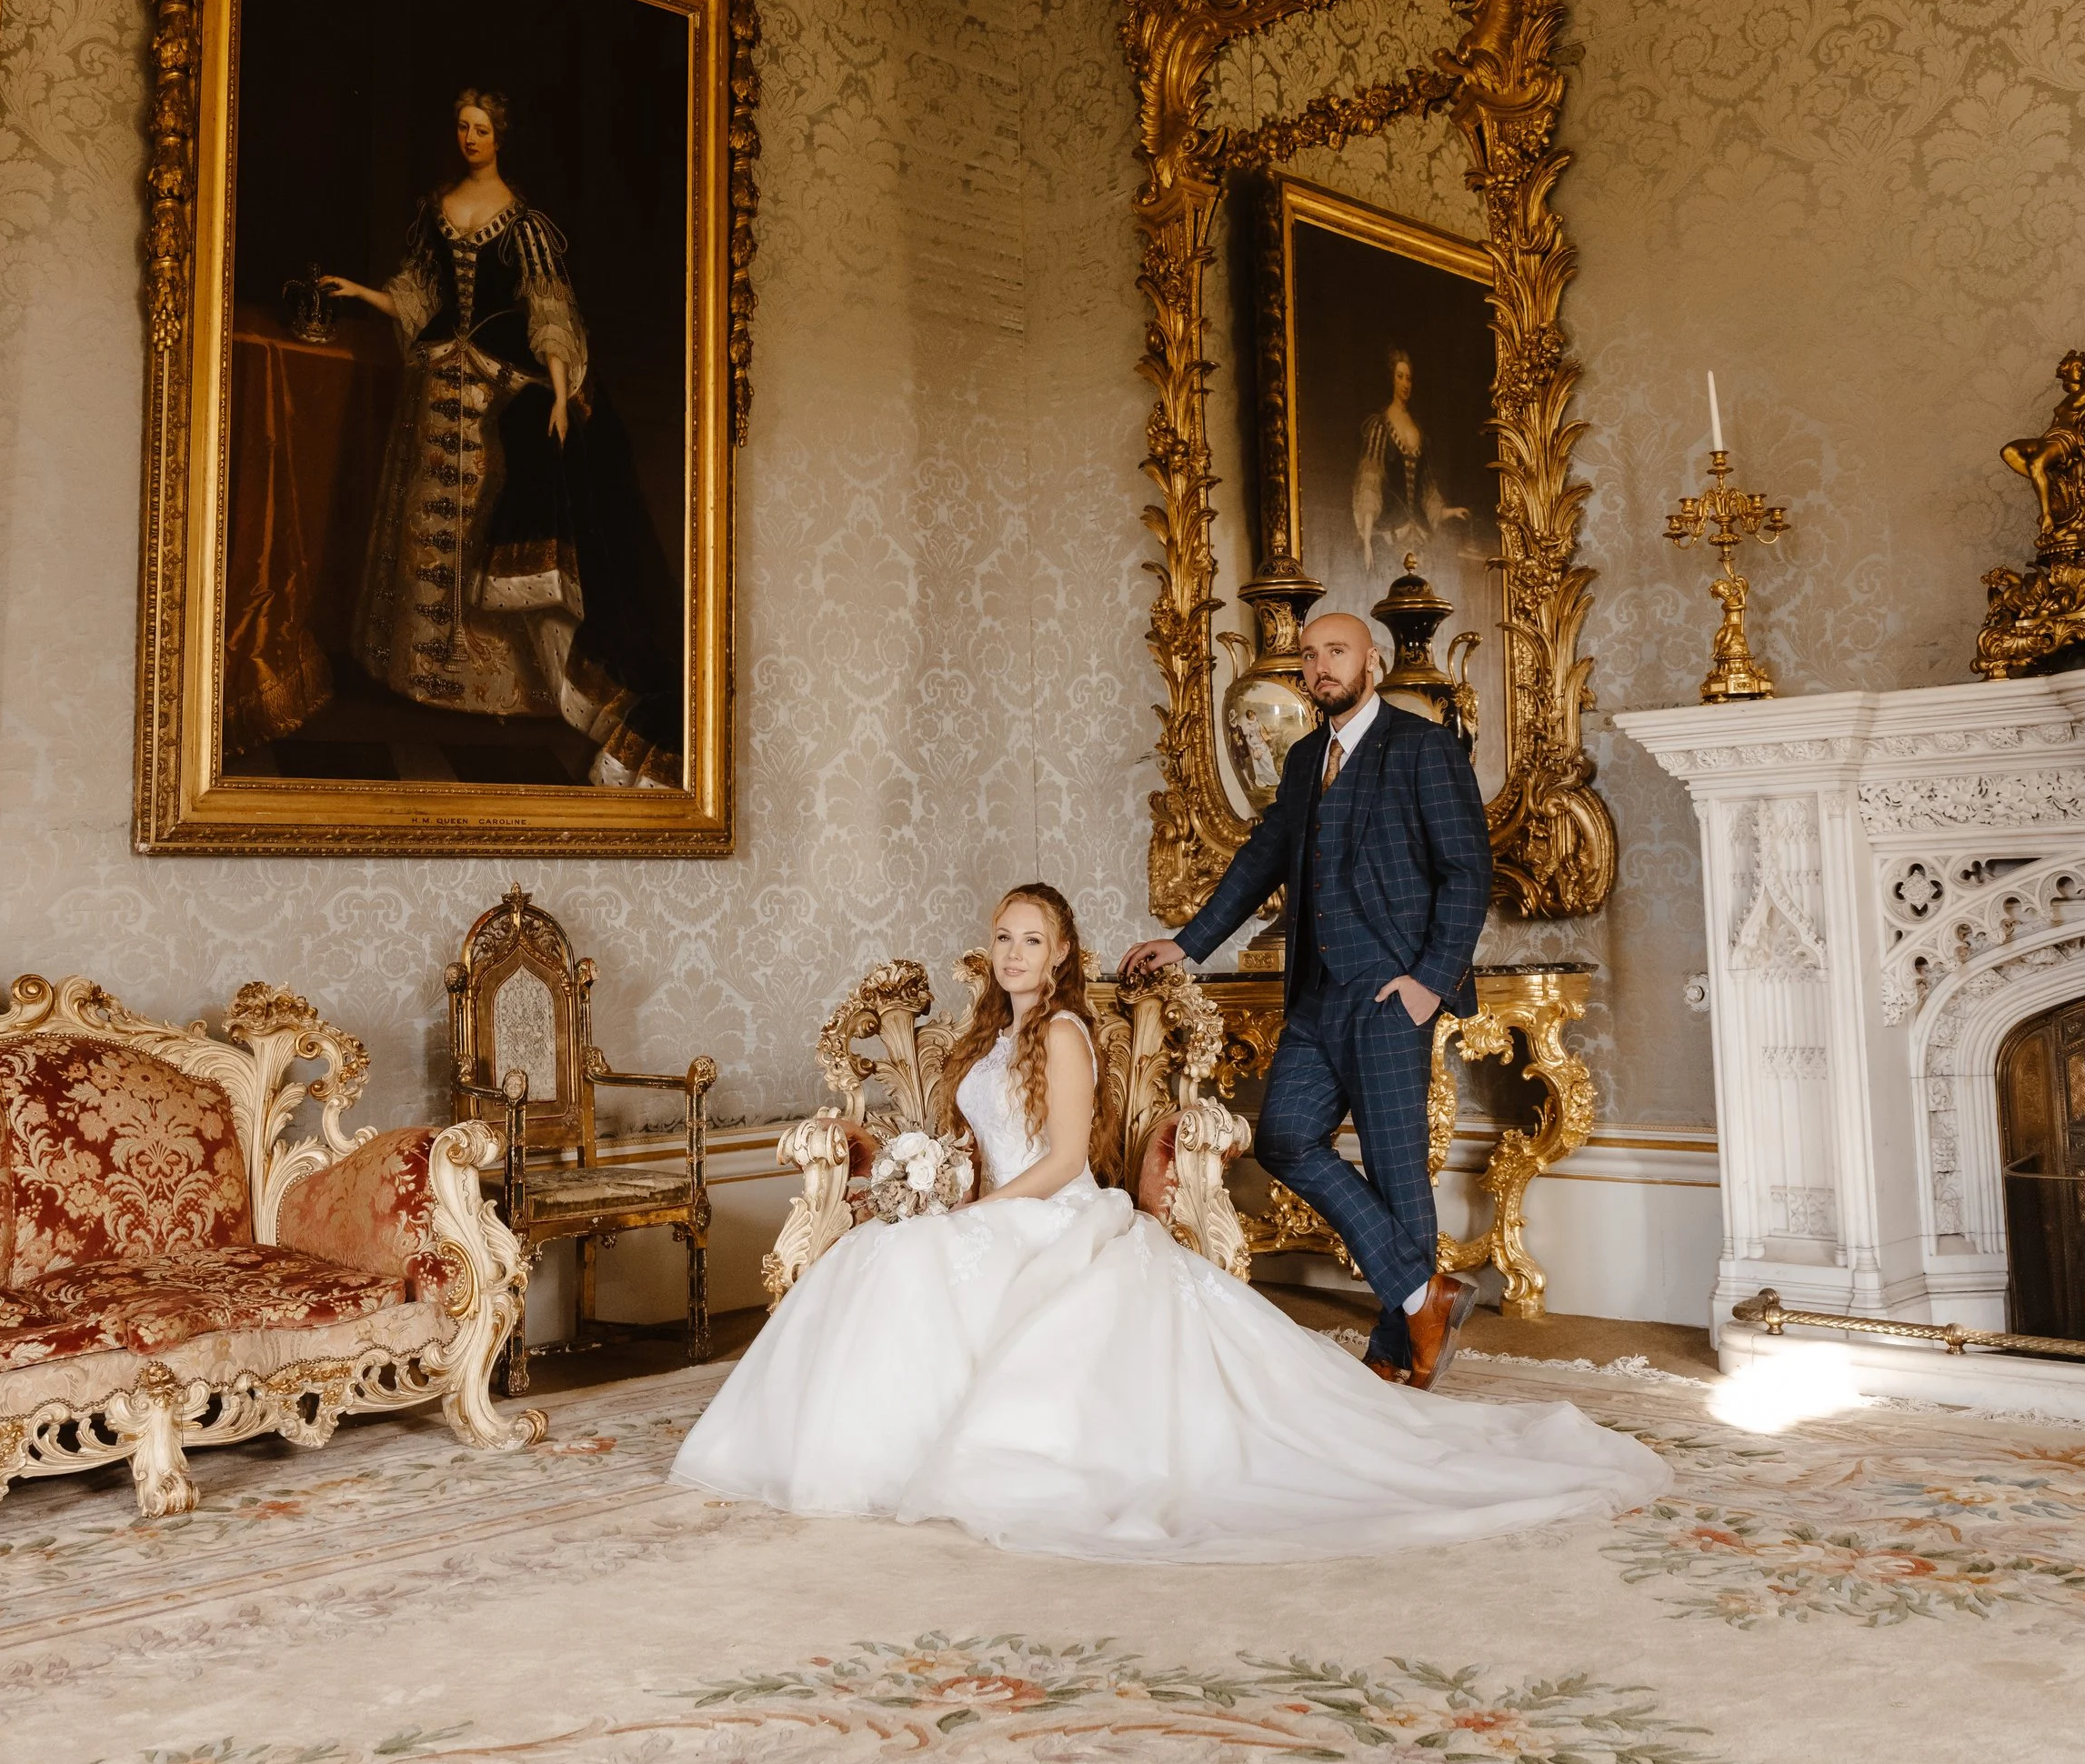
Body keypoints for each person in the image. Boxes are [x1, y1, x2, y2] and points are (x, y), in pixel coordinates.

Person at [668, 881, 1663, 1562]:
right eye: (1003, 937)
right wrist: (928, 1186)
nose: (1014, 953)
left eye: (1032, 940)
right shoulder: (988, 1035)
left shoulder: (1059, 1032)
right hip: (994, 1210)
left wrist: (968, 1211)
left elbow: (1062, 1161)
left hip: (1049, 1213)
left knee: (909, 1265)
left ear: (1060, 956)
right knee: (876, 1266)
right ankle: (849, 1451)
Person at [1125, 610, 1489, 1386]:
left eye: (1337, 652)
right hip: (1318, 997)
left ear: (1374, 662)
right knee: (1286, 1138)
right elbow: (1262, 861)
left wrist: (1428, 983)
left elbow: (1467, 872)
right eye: (1312, 656)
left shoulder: (1424, 749)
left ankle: (1398, 1352)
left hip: (1392, 995)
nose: (1322, 667)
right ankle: (1425, 1295)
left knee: (1396, 1171)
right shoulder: (1301, 763)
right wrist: (1188, 942)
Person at [320, 87, 680, 787]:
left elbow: (548, 308)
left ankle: (510, 690)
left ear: (500, 135)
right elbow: (418, 295)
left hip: (494, 390)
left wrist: (555, 386)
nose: (470, 137)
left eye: (481, 128)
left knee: (487, 513)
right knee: (428, 523)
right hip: (435, 388)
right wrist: (366, 296)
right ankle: (422, 675)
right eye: (461, 126)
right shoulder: (435, 209)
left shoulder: (526, 224)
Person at [1351, 346, 1469, 573]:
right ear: (1391, 380)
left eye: (1409, 378)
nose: (1406, 384)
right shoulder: (1380, 427)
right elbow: (1369, 486)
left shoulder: (1420, 433)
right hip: (1388, 535)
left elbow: (1427, 492)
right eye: (1400, 377)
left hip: (1418, 538)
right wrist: (1366, 541)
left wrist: (1449, 512)